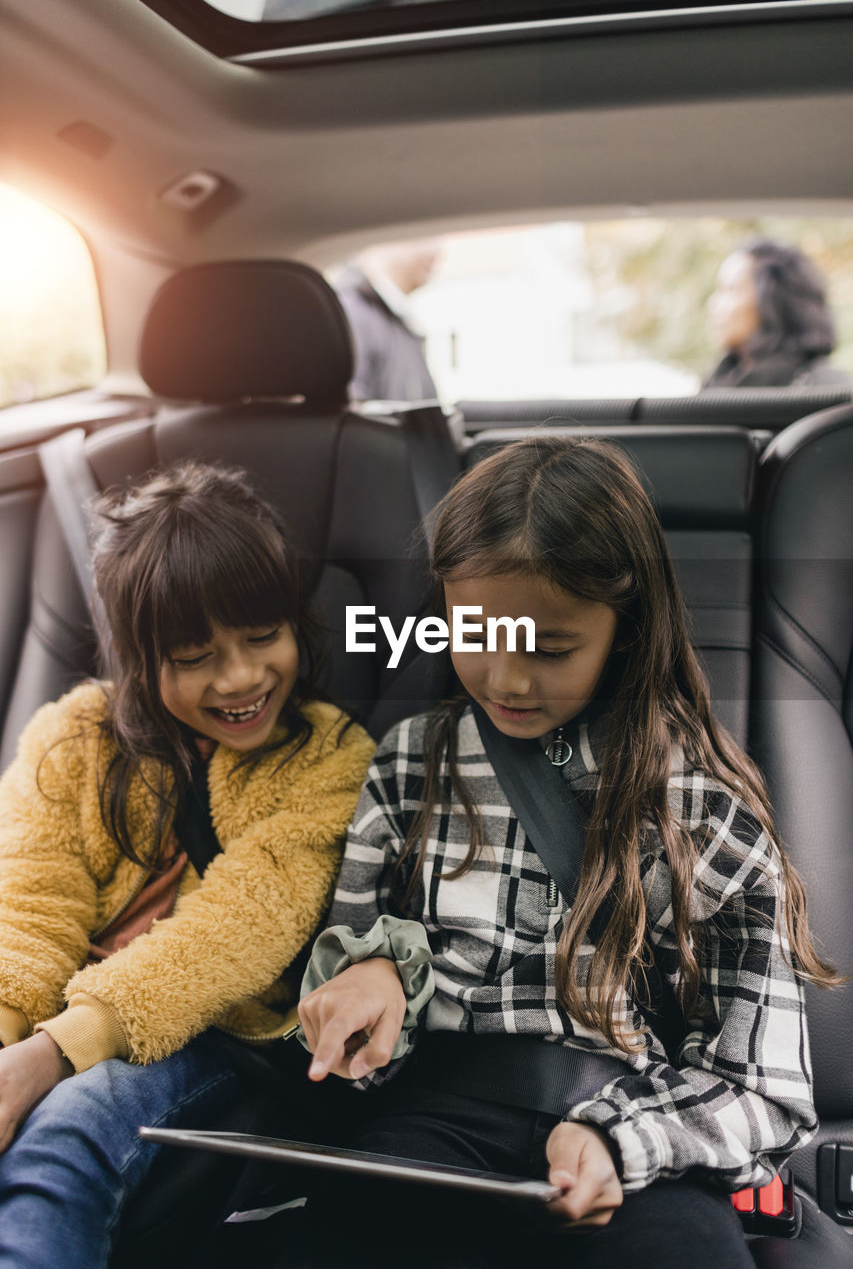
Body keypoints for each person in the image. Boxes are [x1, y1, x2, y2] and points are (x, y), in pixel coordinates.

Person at [295, 437, 839, 1269]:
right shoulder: (411, 765)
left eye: (548, 650)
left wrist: (621, 1141)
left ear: (625, 630)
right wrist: (367, 987)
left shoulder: (697, 807)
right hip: (436, 1120)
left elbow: (761, 1086)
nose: (507, 681)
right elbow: (347, 1038)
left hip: (641, 1132)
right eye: (472, 633)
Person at [0, 461, 374, 1269]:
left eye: (262, 637)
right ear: (138, 658)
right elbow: (28, 910)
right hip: (52, 1019)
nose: (239, 678)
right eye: (195, 655)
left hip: (207, 1036)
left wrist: (46, 1056)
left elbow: (234, 934)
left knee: (59, 1143)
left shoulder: (328, 760)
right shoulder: (71, 738)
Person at [703, 237, 850, 388]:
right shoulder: (716, 384)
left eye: (729, 289)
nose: (713, 304)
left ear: (771, 299)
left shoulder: (825, 387)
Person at [335, 240, 441, 402]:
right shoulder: (354, 312)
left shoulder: (395, 315)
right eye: (426, 238)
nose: (437, 252)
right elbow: (354, 409)